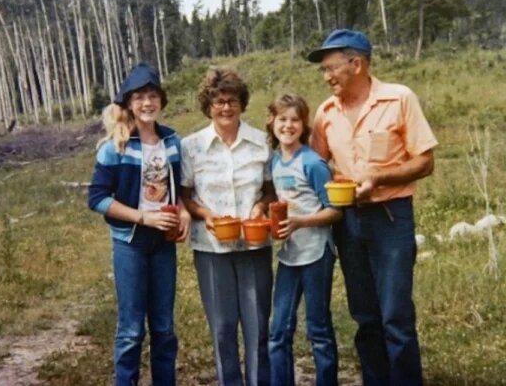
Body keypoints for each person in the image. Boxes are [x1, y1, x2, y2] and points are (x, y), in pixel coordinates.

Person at [307, 29, 438, 386]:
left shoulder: (399, 99)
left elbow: (425, 162)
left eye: (332, 68)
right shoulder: (325, 112)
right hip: (347, 220)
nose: (327, 76)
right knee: (364, 315)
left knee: (395, 315)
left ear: (358, 63)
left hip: (391, 216)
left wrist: (378, 179)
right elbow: (316, 166)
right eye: (323, 70)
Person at [88, 62, 191, 386]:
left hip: (163, 243)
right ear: (129, 104)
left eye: (153, 96)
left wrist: (184, 211)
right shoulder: (114, 147)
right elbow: (98, 198)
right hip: (130, 243)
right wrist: (142, 216)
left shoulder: (173, 141)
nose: (147, 103)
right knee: (132, 330)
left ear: (161, 100)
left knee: (163, 328)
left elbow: (181, 188)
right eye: (139, 97)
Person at [180, 67, 275, 386]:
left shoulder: (261, 142)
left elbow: (271, 190)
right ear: (208, 105)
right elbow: (186, 196)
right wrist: (205, 214)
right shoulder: (191, 146)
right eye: (218, 101)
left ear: (242, 103)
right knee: (222, 327)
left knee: (258, 325)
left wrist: (260, 207)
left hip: (254, 244)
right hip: (212, 248)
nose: (225, 107)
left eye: (232, 100)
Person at [265, 93, 341, 386]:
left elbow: (335, 211)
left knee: (318, 328)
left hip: (316, 253)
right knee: (279, 329)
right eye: (282, 119)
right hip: (289, 253)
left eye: (295, 119)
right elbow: (276, 197)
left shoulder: (312, 163)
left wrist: (299, 222)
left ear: (304, 124)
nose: (288, 125)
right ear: (272, 122)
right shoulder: (274, 161)